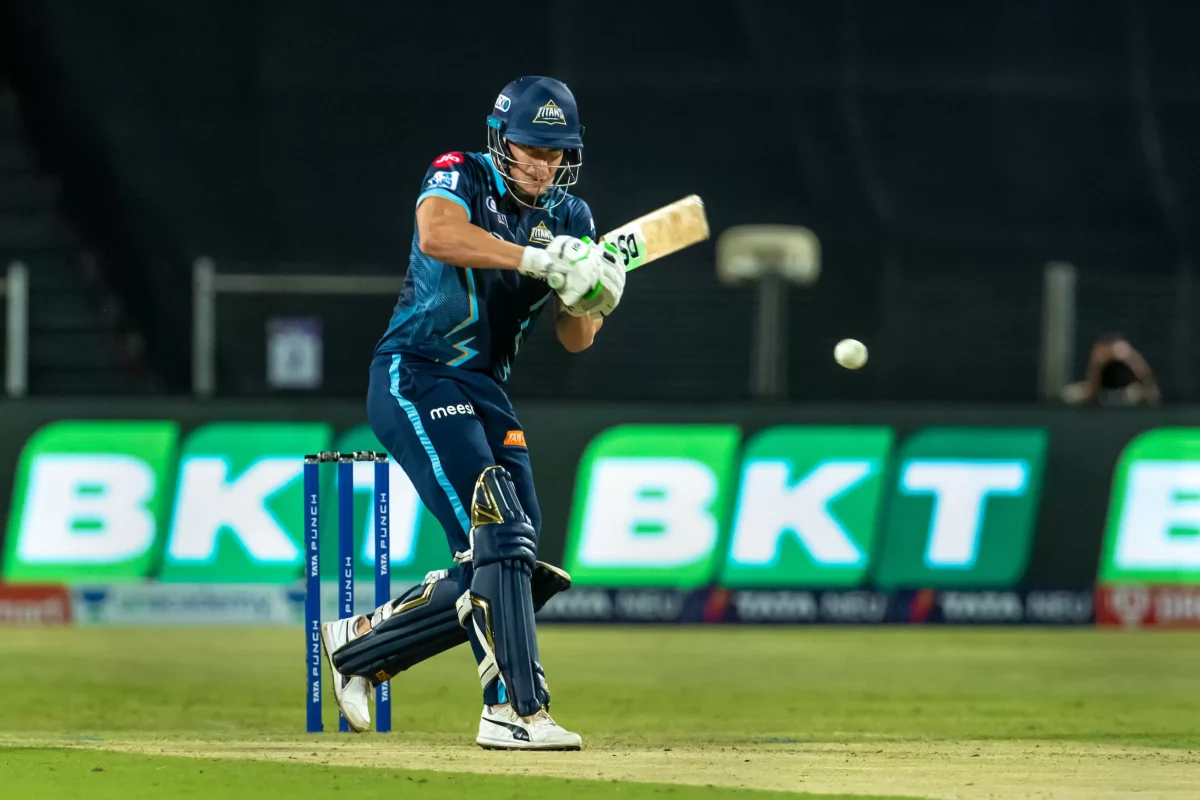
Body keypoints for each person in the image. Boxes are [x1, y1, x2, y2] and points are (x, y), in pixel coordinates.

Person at [318, 76, 624, 750]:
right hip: (416, 372)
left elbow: (576, 338)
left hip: (486, 388)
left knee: (518, 560)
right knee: (498, 533)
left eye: (555, 154)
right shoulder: (461, 173)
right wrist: (539, 259)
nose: (542, 166)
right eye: (531, 150)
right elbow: (437, 234)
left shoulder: (572, 216)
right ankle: (514, 710)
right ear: (502, 139)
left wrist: (593, 295)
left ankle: (359, 645)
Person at [1061, 333, 1161, 407]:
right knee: (1070, 393)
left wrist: (1150, 392)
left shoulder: (1128, 356)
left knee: (1134, 394)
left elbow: (1148, 384)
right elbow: (1091, 388)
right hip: (1101, 392)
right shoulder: (1099, 356)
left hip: (1125, 392)